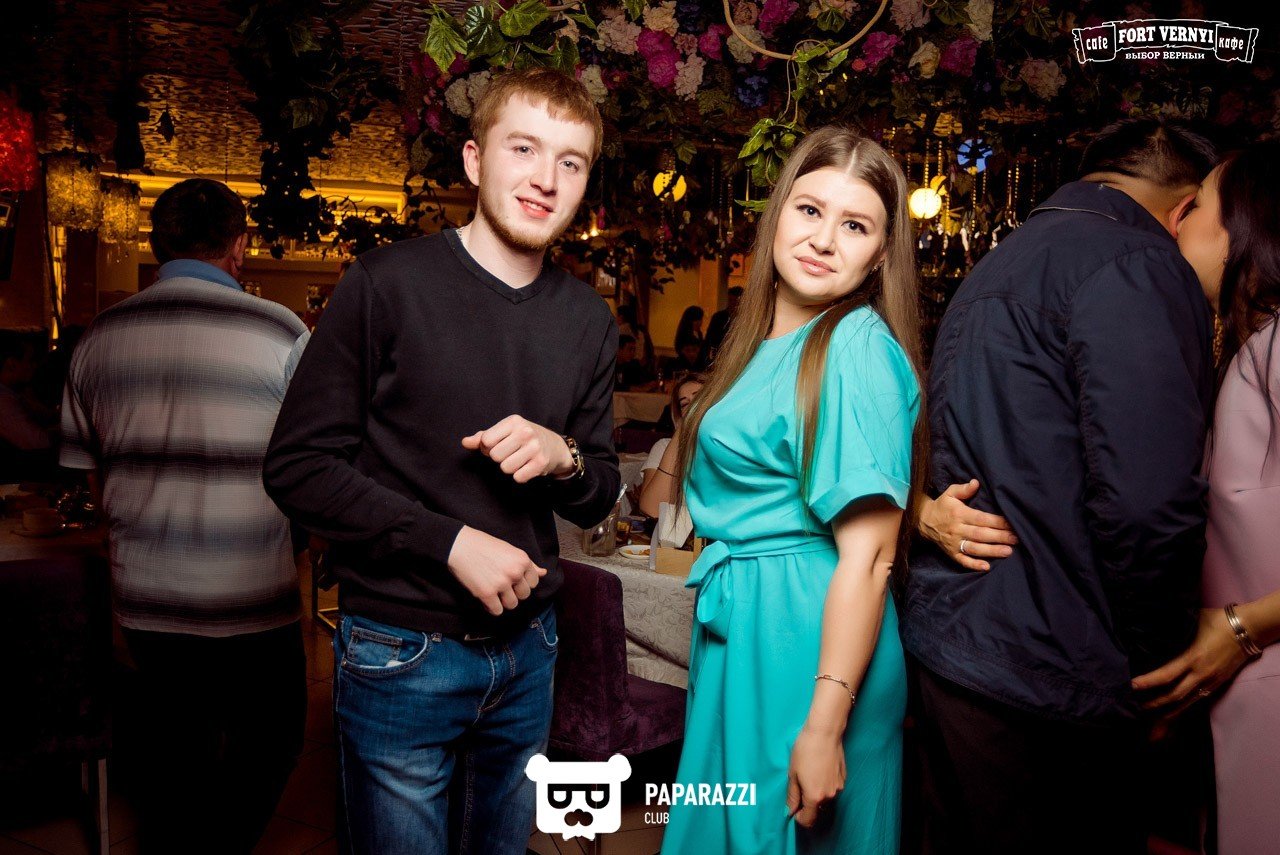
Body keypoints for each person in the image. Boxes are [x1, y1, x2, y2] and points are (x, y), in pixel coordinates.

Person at [262, 68, 619, 855]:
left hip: (531, 650)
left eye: (570, 161)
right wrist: (447, 541)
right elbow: (297, 466)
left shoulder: (589, 319)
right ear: (473, 159)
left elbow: (599, 492)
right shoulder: (386, 284)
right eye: (523, 148)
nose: (545, 177)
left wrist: (563, 456)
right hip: (401, 646)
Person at [902, 118, 1218, 854]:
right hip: (1054, 665)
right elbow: (1146, 503)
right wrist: (1161, 663)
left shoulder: (1001, 261)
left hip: (957, 644)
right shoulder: (1139, 261)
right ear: (1183, 208)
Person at [658, 126, 925, 854]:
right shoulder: (759, 344)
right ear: (778, 214)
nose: (824, 239)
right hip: (748, 629)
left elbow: (871, 558)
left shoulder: (856, 346)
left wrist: (825, 723)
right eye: (810, 210)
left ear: (880, 253)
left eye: (856, 225)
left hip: (806, 640)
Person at [60, 178, 309, 855]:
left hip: (146, 598)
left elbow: (88, 472)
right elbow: (313, 464)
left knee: (171, 759)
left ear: (156, 242)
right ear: (239, 245)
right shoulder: (280, 330)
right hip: (252, 595)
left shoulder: (99, 336)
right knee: (273, 740)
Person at [1130, 140, 1280, 855]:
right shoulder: (1250, 347)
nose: (1176, 219)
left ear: (1244, 226)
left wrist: (1244, 628)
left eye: (1196, 206)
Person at [636, 371, 704, 516]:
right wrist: (682, 431)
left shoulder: (734, 448)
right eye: (685, 404)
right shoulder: (664, 447)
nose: (693, 407)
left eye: (699, 398)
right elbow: (652, 509)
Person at [0, 329, 56, 481]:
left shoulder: (15, 393)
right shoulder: (4, 401)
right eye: (30, 360)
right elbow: (39, 442)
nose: (34, 366)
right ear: (12, 364)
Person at [700, 285, 743, 366]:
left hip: (737, 356)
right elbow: (709, 338)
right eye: (730, 300)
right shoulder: (718, 317)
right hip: (719, 355)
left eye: (736, 301)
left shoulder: (744, 319)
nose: (733, 304)